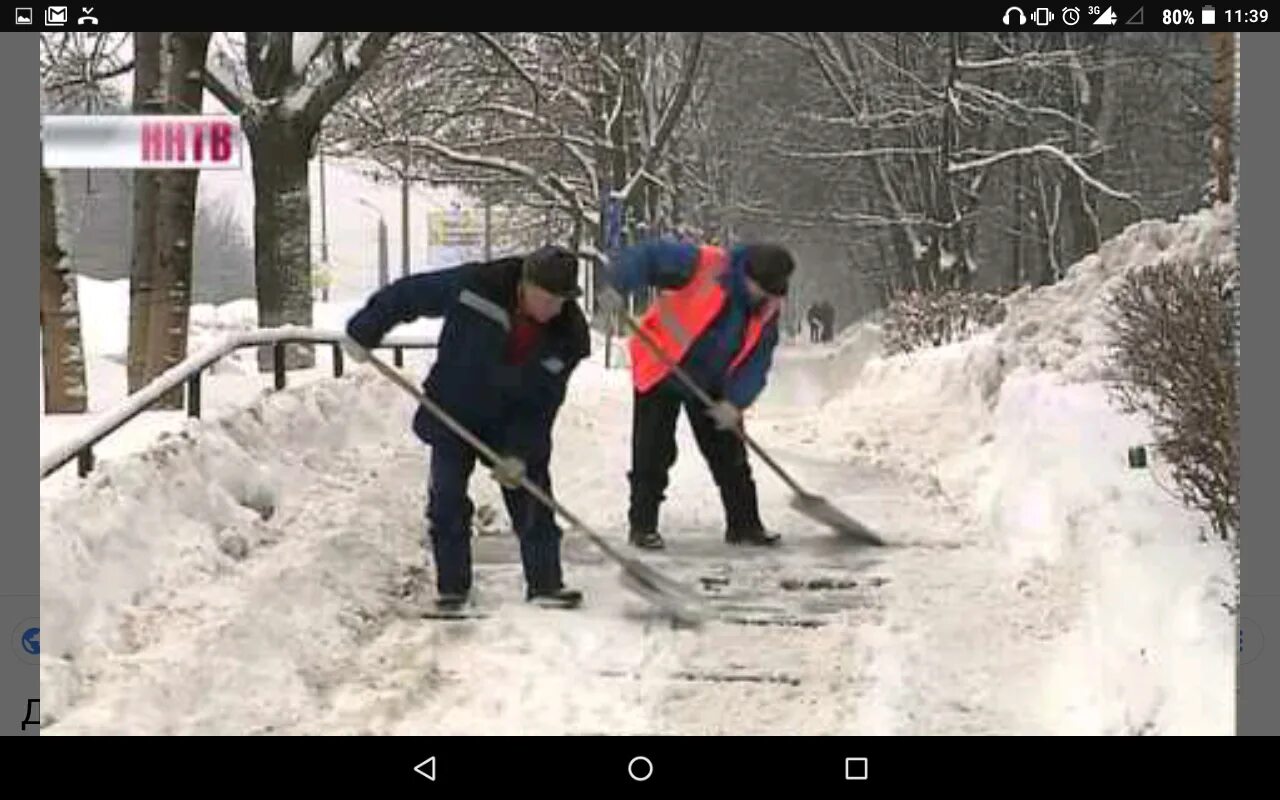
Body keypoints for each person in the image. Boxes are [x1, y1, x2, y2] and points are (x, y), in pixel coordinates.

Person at [343, 246, 591, 612]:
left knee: (532, 495)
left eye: (562, 300)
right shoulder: (478, 285)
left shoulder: (567, 335)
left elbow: (543, 405)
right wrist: (365, 329)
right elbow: (409, 294)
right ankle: (453, 589)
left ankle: (546, 584)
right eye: (548, 298)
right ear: (526, 284)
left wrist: (520, 454)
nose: (554, 308)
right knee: (446, 499)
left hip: (513, 420)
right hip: (454, 411)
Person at [601, 238, 796, 549]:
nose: (766, 297)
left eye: (773, 291)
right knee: (653, 451)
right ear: (748, 274)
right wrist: (616, 285)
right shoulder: (704, 264)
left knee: (730, 454)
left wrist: (735, 402)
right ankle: (643, 527)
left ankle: (745, 525)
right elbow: (649, 255)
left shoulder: (766, 308)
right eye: (763, 288)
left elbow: (757, 361)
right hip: (662, 363)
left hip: (714, 382)